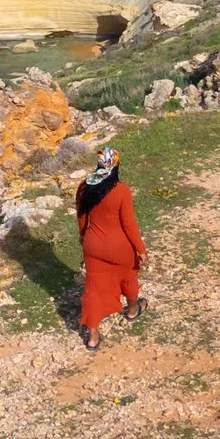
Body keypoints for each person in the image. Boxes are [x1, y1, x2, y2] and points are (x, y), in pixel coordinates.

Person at [75, 147, 146, 350]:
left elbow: (82, 218)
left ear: (98, 163)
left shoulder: (84, 187)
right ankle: (133, 311)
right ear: (116, 166)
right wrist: (141, 250)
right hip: (119, 246)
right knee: (128, 277)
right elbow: (129, 225)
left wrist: (83, 238)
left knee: (93, 288)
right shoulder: (121, 190)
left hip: (93, 245)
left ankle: (93, 337)